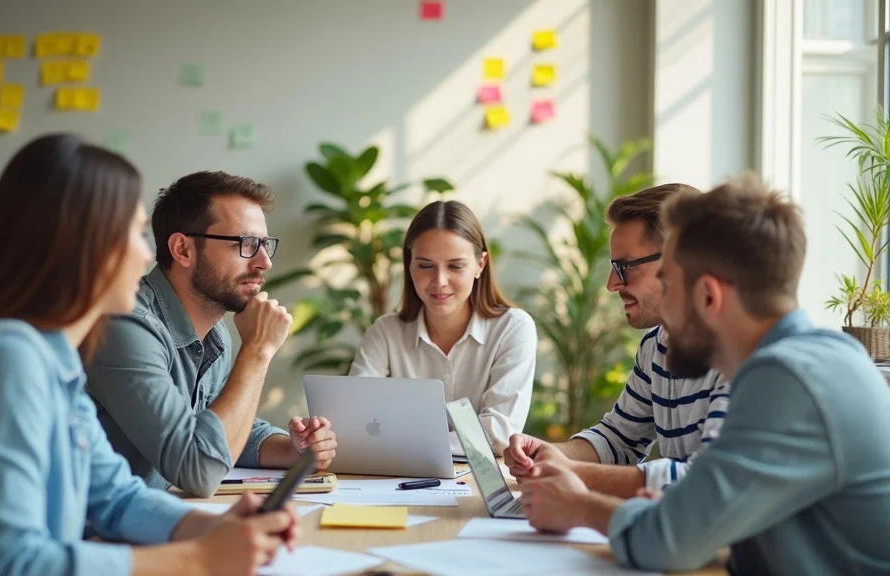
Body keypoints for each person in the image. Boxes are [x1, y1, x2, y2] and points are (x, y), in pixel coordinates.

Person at [0, 134, 298, 575]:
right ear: (79, 244)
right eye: (132, 232)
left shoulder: (55, 358)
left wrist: (213, 529)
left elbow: (116, 497)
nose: (147, 252)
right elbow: (11, 564)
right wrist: (200, 558)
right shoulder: (3, 360)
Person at [517, 175, 890, 573]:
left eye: (668, 282)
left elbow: (672, 541)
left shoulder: (786, 380)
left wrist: (578, 505)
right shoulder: (812, 360)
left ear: (708, 296)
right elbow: (703, 514)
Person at [86, 170, 337, 498]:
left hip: (143, 518)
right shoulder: (126, 328)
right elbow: (200, 469)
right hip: (93, 533)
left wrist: (292, 450)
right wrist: (258, 350)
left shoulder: (215, 332)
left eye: (264, 245)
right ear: (183, 249)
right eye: (246, 244)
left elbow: (215, 429)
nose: (264, 263)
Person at [505, 184, 730, 496]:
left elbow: (707, 482)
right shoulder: (657, 346)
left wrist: (573, 475)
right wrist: (548, 454)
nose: (612, 285)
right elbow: (619, 439)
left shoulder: (739, 353)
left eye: (623, 268)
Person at [349, 200, 536, 454]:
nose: (439, 281)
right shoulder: (385, 332)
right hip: (400, 479)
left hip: (479, 482)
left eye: (455, 266)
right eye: (425, 266)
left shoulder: (513, 329)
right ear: (409, 264)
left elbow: (500, 433)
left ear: (480, 265)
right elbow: (355, 418)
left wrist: (403, 437)